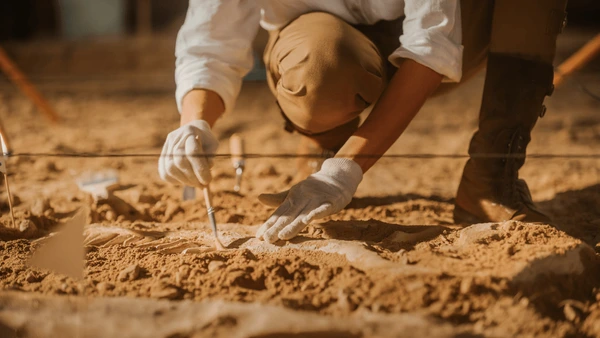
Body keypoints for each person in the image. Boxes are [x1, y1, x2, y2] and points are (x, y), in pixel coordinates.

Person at [159, 0, 568, 243]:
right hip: (321, 45)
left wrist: (345, 170)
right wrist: (195, 123)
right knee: (321, 65)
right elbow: (210, 43)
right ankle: (325, 136)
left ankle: (491, 175)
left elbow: (432, 46)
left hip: (453, 38)